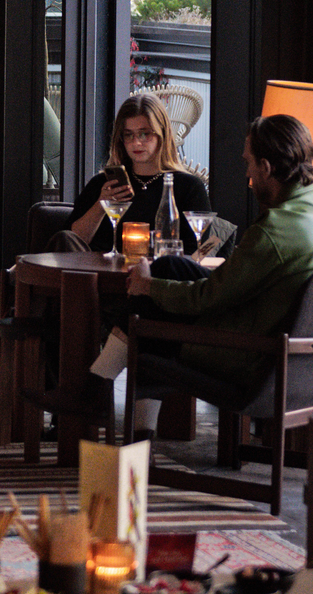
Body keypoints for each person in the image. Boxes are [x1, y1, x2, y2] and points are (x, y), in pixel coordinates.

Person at [111, 113, 313, 437]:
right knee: (170, 266)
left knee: (147, 319)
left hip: (246, 361)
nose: (247, 175)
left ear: (266, 167)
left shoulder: (274, 231)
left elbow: (207, 299)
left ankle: (126, 425)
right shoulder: (307, 215)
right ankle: (102, 392)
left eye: (249, 164)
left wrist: (147, 286)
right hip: (298, 369)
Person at [62, 92, 209, 256]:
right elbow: (69, 242)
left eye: (144, 133)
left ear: (162, 134)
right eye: (128, 134)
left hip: (159, 275)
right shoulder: (103, 184)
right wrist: (101, 205)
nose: (136, 142)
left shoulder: (188, 187)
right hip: (97, 275)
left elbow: (201, 251)